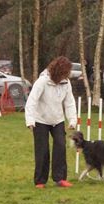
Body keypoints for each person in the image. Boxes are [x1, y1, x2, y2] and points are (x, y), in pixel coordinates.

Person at [25, 56, 77, 188]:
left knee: (60, 146)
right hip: (40, 120)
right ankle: (40, 181)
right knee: (42, 150)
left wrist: (72, 119)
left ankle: (60, 178)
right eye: (63, 74)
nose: (65, 77)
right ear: (57, 72)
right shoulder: (42, 81)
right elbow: (32, 101)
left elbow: (69, 102)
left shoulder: (66, 83)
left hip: (57, 120)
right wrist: (30, 120)